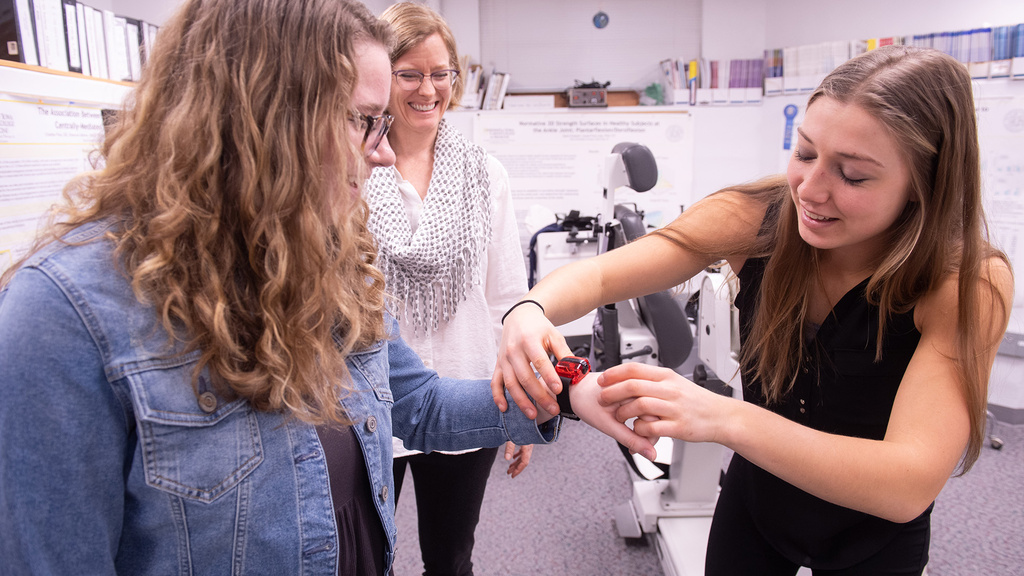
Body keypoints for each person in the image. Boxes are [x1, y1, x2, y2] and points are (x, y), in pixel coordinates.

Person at [0, 1, 655, 574]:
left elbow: (418, 402)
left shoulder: (325, 260)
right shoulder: (65, 318)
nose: (384, 151)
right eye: (365, 120)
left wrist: (568, 396)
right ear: (263, 117)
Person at [493, 45, 1013, 575]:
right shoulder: (758, 218)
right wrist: (530, 308)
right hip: (758, 506)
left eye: (852, 176)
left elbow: (905, 485)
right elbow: (603, 275)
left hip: (875, 535)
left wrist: (722, 416)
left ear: (925, 183)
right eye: (805, 153)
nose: (809, 190)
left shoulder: (965, 282)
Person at [361, 4, 528, 574]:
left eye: (441, 73)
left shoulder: (487, 174)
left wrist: (519, 405)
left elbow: (508, 297)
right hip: (370, 402)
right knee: (357, 556)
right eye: (410, 73)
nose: (427, 88)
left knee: (452, 559)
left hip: (463, 389)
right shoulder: (351, 171)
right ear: (383, 77)